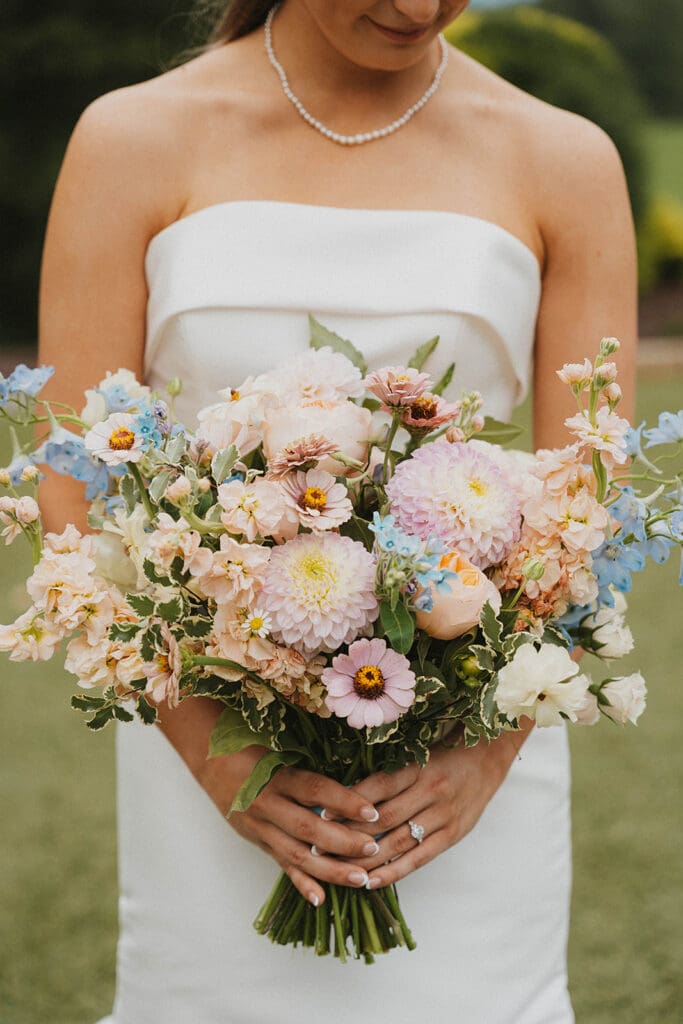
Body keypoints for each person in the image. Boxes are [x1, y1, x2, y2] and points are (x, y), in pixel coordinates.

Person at [37, 1, 637, 1021]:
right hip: (211, 758)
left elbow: (588, 507)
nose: (415, 6)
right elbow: (73, 497)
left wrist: (482, 751)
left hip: (462, 780)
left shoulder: (563, 158)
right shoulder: (129, 138)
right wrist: (219, 753)